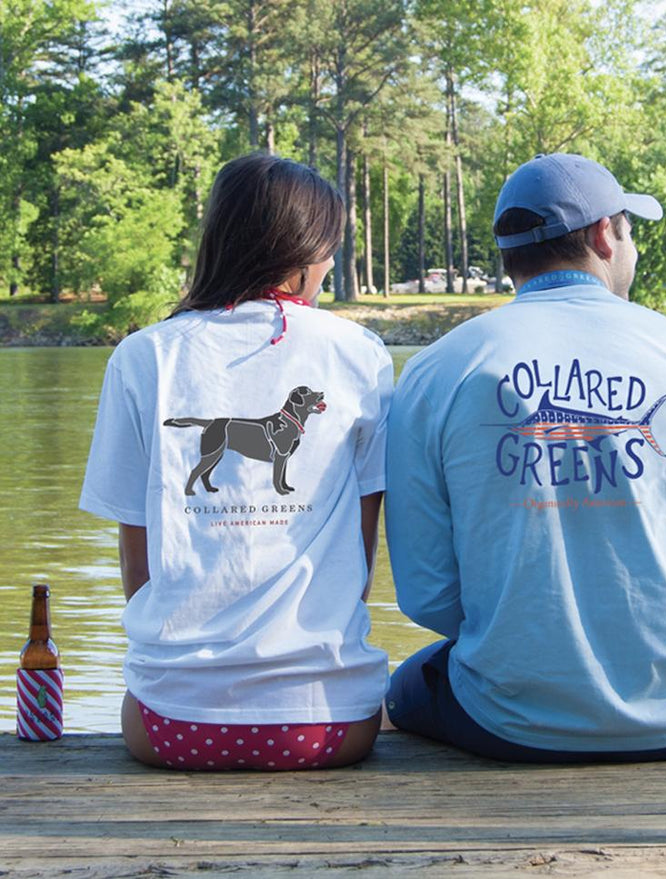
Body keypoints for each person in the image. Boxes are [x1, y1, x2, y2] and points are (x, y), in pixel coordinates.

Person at [384, 153, 666, 762]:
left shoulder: (438, 368)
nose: (634, 247)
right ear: (601, 235)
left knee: (405, 688)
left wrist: (527, 643)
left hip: (502, 722)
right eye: (629, 229)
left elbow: (427, 595)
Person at [80, 154, 392, 770]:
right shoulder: (363, 354)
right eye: (329, 250)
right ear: (306, 257)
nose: (330, 265)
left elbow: (136, 555)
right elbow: (360, 561)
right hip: (330, 729)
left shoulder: (144, 356)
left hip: (171, 727)